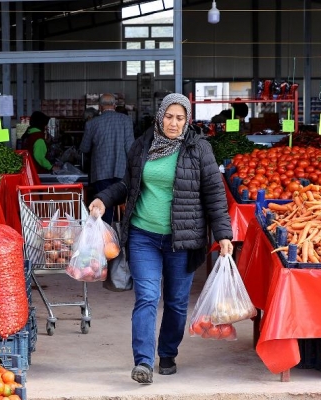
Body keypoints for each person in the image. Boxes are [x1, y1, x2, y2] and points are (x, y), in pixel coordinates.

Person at [87, 93, 233, 385]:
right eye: (169, 116)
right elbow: (127, 184)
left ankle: (167, 352)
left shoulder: (199, 149)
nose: (173, 123)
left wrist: (224, 235)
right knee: (147, 298)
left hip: (183, 240)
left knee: (177, 303)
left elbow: (215, 196)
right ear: (160, 116)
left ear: (187, 120)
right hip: (144, 236)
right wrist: (103, 199)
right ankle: (143, 361)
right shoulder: (143, 145)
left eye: (180, 118)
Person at [79, 93, 134, 224]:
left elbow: (84, 148)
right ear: (115, 105)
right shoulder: (126, 120)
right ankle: (121, 236)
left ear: (100, 106)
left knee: (104, 205)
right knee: (123, 205)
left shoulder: (92, 124)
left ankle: (105, 237)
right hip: (122, 171)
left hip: (100, 172)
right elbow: (131, 148)